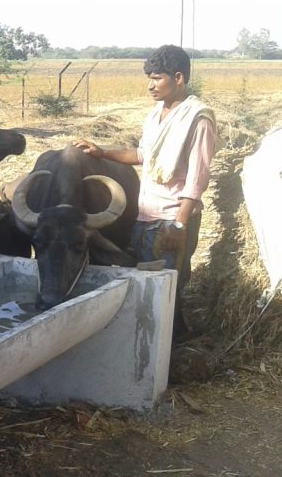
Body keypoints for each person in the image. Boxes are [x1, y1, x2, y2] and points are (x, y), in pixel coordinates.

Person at [74, 44, 218, 339]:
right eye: (149, 79)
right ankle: (155, 341)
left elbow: (197, 178)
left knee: (165, 288)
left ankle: (168, 348)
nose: (150, 86)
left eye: (156, 78)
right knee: (146, 283)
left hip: (171, 219)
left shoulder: (198, 120)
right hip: (145, 215)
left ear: (178, 78)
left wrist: (180, 225)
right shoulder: (155, 115)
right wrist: (102, 152)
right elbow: (143, 155)